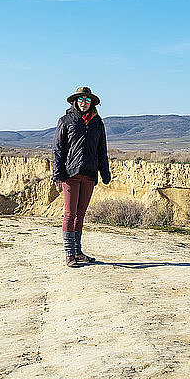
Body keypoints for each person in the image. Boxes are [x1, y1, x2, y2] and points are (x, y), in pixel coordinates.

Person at [52, 86, 111, 267]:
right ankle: (69, 254)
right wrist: (58, 174)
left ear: (91, 102)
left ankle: (78, 252)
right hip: (71, 174)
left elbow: (102, 150)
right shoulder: (66, 121)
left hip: (90, 173)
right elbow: (57, 149)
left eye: (87, 100)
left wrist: (105, 172)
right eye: (80, 100)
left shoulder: (97, 123)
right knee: (70, 214)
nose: (83, 103)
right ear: (75, 102)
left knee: (81, 214)